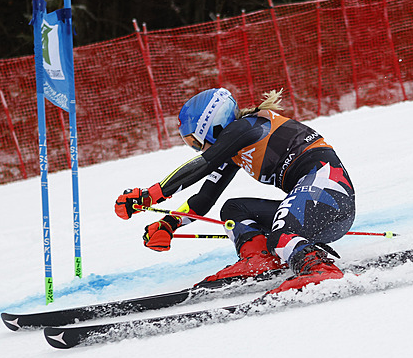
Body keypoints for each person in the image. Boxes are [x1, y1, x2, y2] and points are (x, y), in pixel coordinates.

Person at [115, 88, 355, 294]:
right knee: (233, 208)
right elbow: (205, 197)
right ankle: (259, 259)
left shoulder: (247, 126)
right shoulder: (237, 146)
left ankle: (320, 270)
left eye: (195, 141)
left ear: (212, 125)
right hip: (318, 213)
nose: (197, 149)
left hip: (328, 195)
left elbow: (202, 165)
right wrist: (169, 223)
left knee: (281, 231)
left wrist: (150, 195)